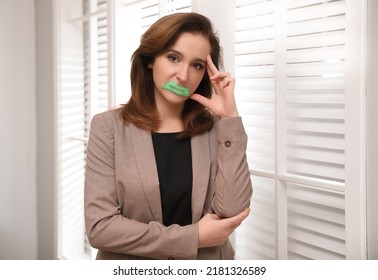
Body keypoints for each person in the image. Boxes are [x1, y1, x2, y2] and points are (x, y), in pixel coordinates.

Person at [84, 12, 252, 260]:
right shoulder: (108, 127)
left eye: (196, 65)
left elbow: (231, 211)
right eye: (173, 58)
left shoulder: (218, 130)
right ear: (150, 60)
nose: (183, 76)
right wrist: (193, 237)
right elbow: (101, 229)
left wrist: (229, 118)